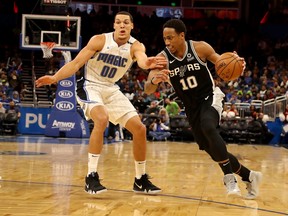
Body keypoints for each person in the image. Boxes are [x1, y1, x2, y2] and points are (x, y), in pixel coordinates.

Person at [36, 11, 167, 195]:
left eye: (126, 23)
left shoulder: (135, 45)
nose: (122, 25)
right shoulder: (99, 40)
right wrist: (55, 78)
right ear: (114, 25)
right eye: (118, 22)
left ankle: (140, 179)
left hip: (111, 88)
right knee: (102, 118)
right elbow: (75, 64)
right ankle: (91, 176)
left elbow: (143, 60)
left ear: (132, 26)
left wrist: (149, 63)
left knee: (140, 129)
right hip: (90, 85)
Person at [144, 19, 262, 199]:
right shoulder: (162, 59)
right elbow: (147, 88)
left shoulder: (200, 48)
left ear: (181, 36)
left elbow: (223, 63)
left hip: (210, 96)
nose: (167, 42)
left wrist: (237, 64)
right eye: (164, 38)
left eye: (170, 38)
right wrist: (154, 80)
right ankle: (250, 176)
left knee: (208, 126)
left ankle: (229, 178)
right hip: (191, 108)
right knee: (213, 151)